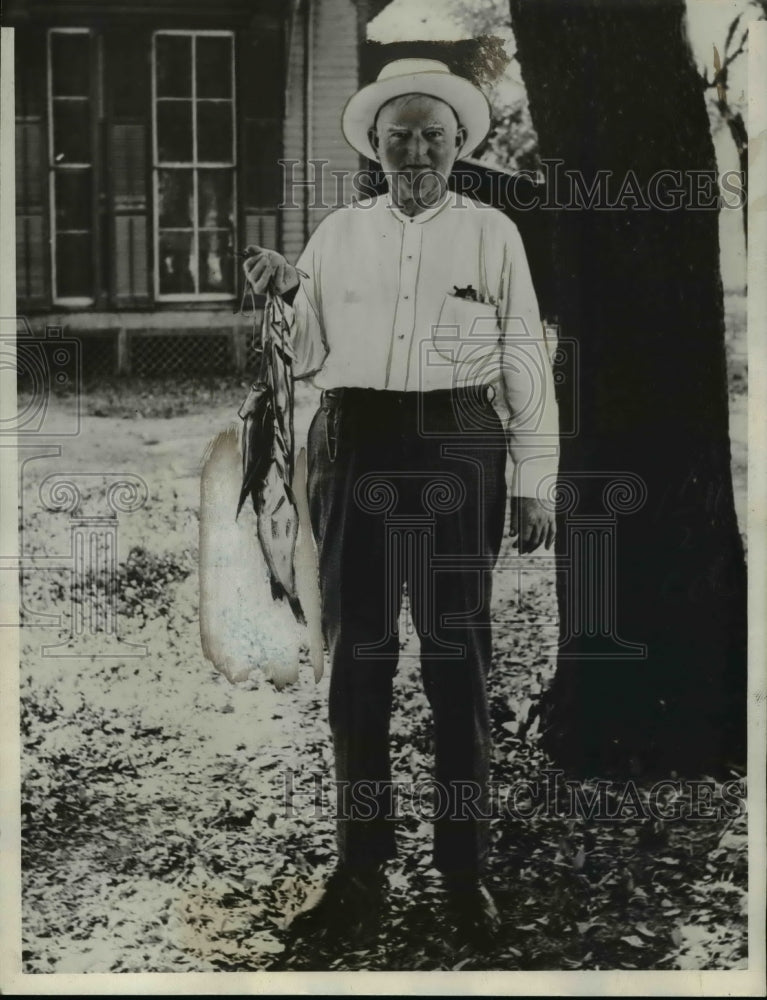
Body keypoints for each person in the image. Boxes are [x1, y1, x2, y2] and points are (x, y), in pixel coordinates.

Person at [244, 59, 559, 945]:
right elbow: (302, 355)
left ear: (459, 145)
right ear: (375, 149)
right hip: (352, 448)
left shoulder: (493, 233)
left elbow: (526, 361)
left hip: (461, 447)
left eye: (432, 137)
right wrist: (284, 291)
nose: (415, 152)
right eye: (398, 139)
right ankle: (357, 868)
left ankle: (464, 875)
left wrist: (535, 482)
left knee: (456, 663)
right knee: (359, 663)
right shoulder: (338, 233)